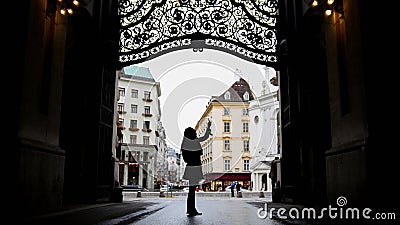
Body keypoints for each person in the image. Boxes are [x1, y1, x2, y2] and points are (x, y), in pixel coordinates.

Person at [181, 120, 211, 217]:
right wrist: (208, 127)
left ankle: (190, 209)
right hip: (195, 168)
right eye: (194, 132)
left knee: (191, 190)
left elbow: (185, 158)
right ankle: (191, 209)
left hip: (190, 167)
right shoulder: (194, 142)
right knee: (192, 190)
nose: (195, 133)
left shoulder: (186, 144)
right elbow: (205, 137)